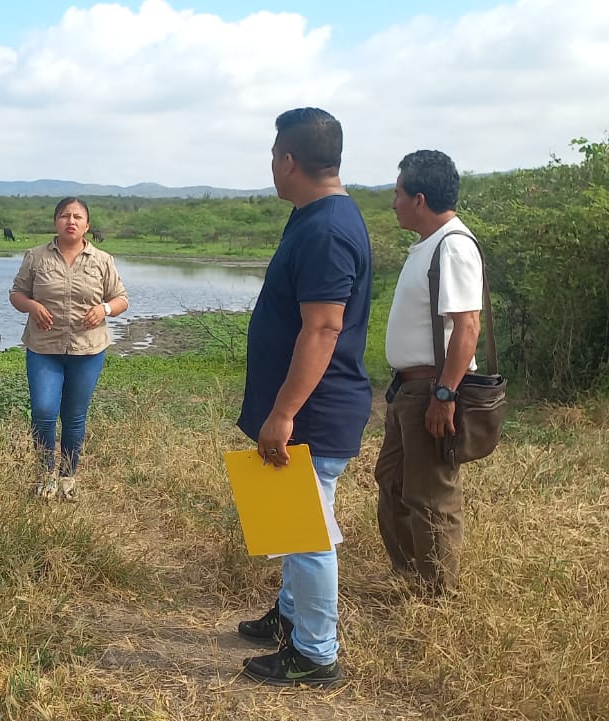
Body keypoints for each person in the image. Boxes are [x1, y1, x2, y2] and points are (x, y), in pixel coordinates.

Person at [232, 108, 374, 687]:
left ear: (288, 160)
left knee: (307, 534)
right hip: (307, 408)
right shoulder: (313, 216)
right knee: (293, 524)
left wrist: (284, 412)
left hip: (314, 410)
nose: (271, 166)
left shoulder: (327, 230)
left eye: (273, 156)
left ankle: (316, 653)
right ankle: (290, 617)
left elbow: (323, 328)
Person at [374, 149, 483, 596]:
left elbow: (467, 326)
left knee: (432, 496)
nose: (394, 203)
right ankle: (410, 580)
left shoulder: (452, 246)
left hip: (430, 390)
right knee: (394, 483)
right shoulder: (429, 245)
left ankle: (437, 596)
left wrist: (444, 394)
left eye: (399, 193)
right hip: (409, 390)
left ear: (419, 199)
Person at [8, 197, 129, 501]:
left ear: (87, 225)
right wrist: (32, 305)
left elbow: (121, 299)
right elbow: (16, 294)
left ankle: (68, 476)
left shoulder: (102, 260)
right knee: (43, 411)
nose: (70, 221)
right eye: (64, 216)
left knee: (74, 416)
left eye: (77, 217)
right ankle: (45, 474)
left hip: (88, 350)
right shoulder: (36, 257)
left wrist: (104, 309)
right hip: (43, 348)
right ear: (56, 222)